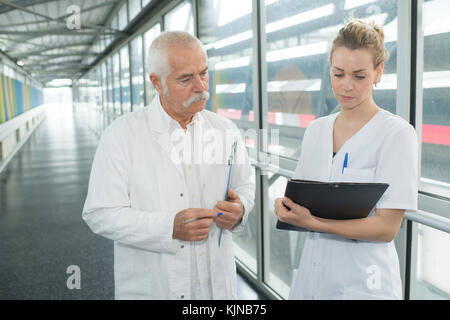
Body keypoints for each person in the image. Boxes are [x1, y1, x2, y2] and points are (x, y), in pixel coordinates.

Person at [82, 31, 255, 300]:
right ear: (157, 82)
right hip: (155, 288)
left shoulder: (225, 130)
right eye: (186, 78)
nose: (201, 86)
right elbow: (99, 213)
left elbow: (245, 183)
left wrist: (241, 207)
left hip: (216, 289)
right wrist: (168, 228)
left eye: (204, 73)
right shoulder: (121, 135)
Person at [274, 19, 418, 299]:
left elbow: (387, 227)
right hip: (313, 275)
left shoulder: (396, 134)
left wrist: (314, 223)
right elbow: (300, 197)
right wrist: (284, 207)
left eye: (359, 76)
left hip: (365, 283)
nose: (346, 86)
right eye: (338, 74)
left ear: (378, 72)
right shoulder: (317, 130)